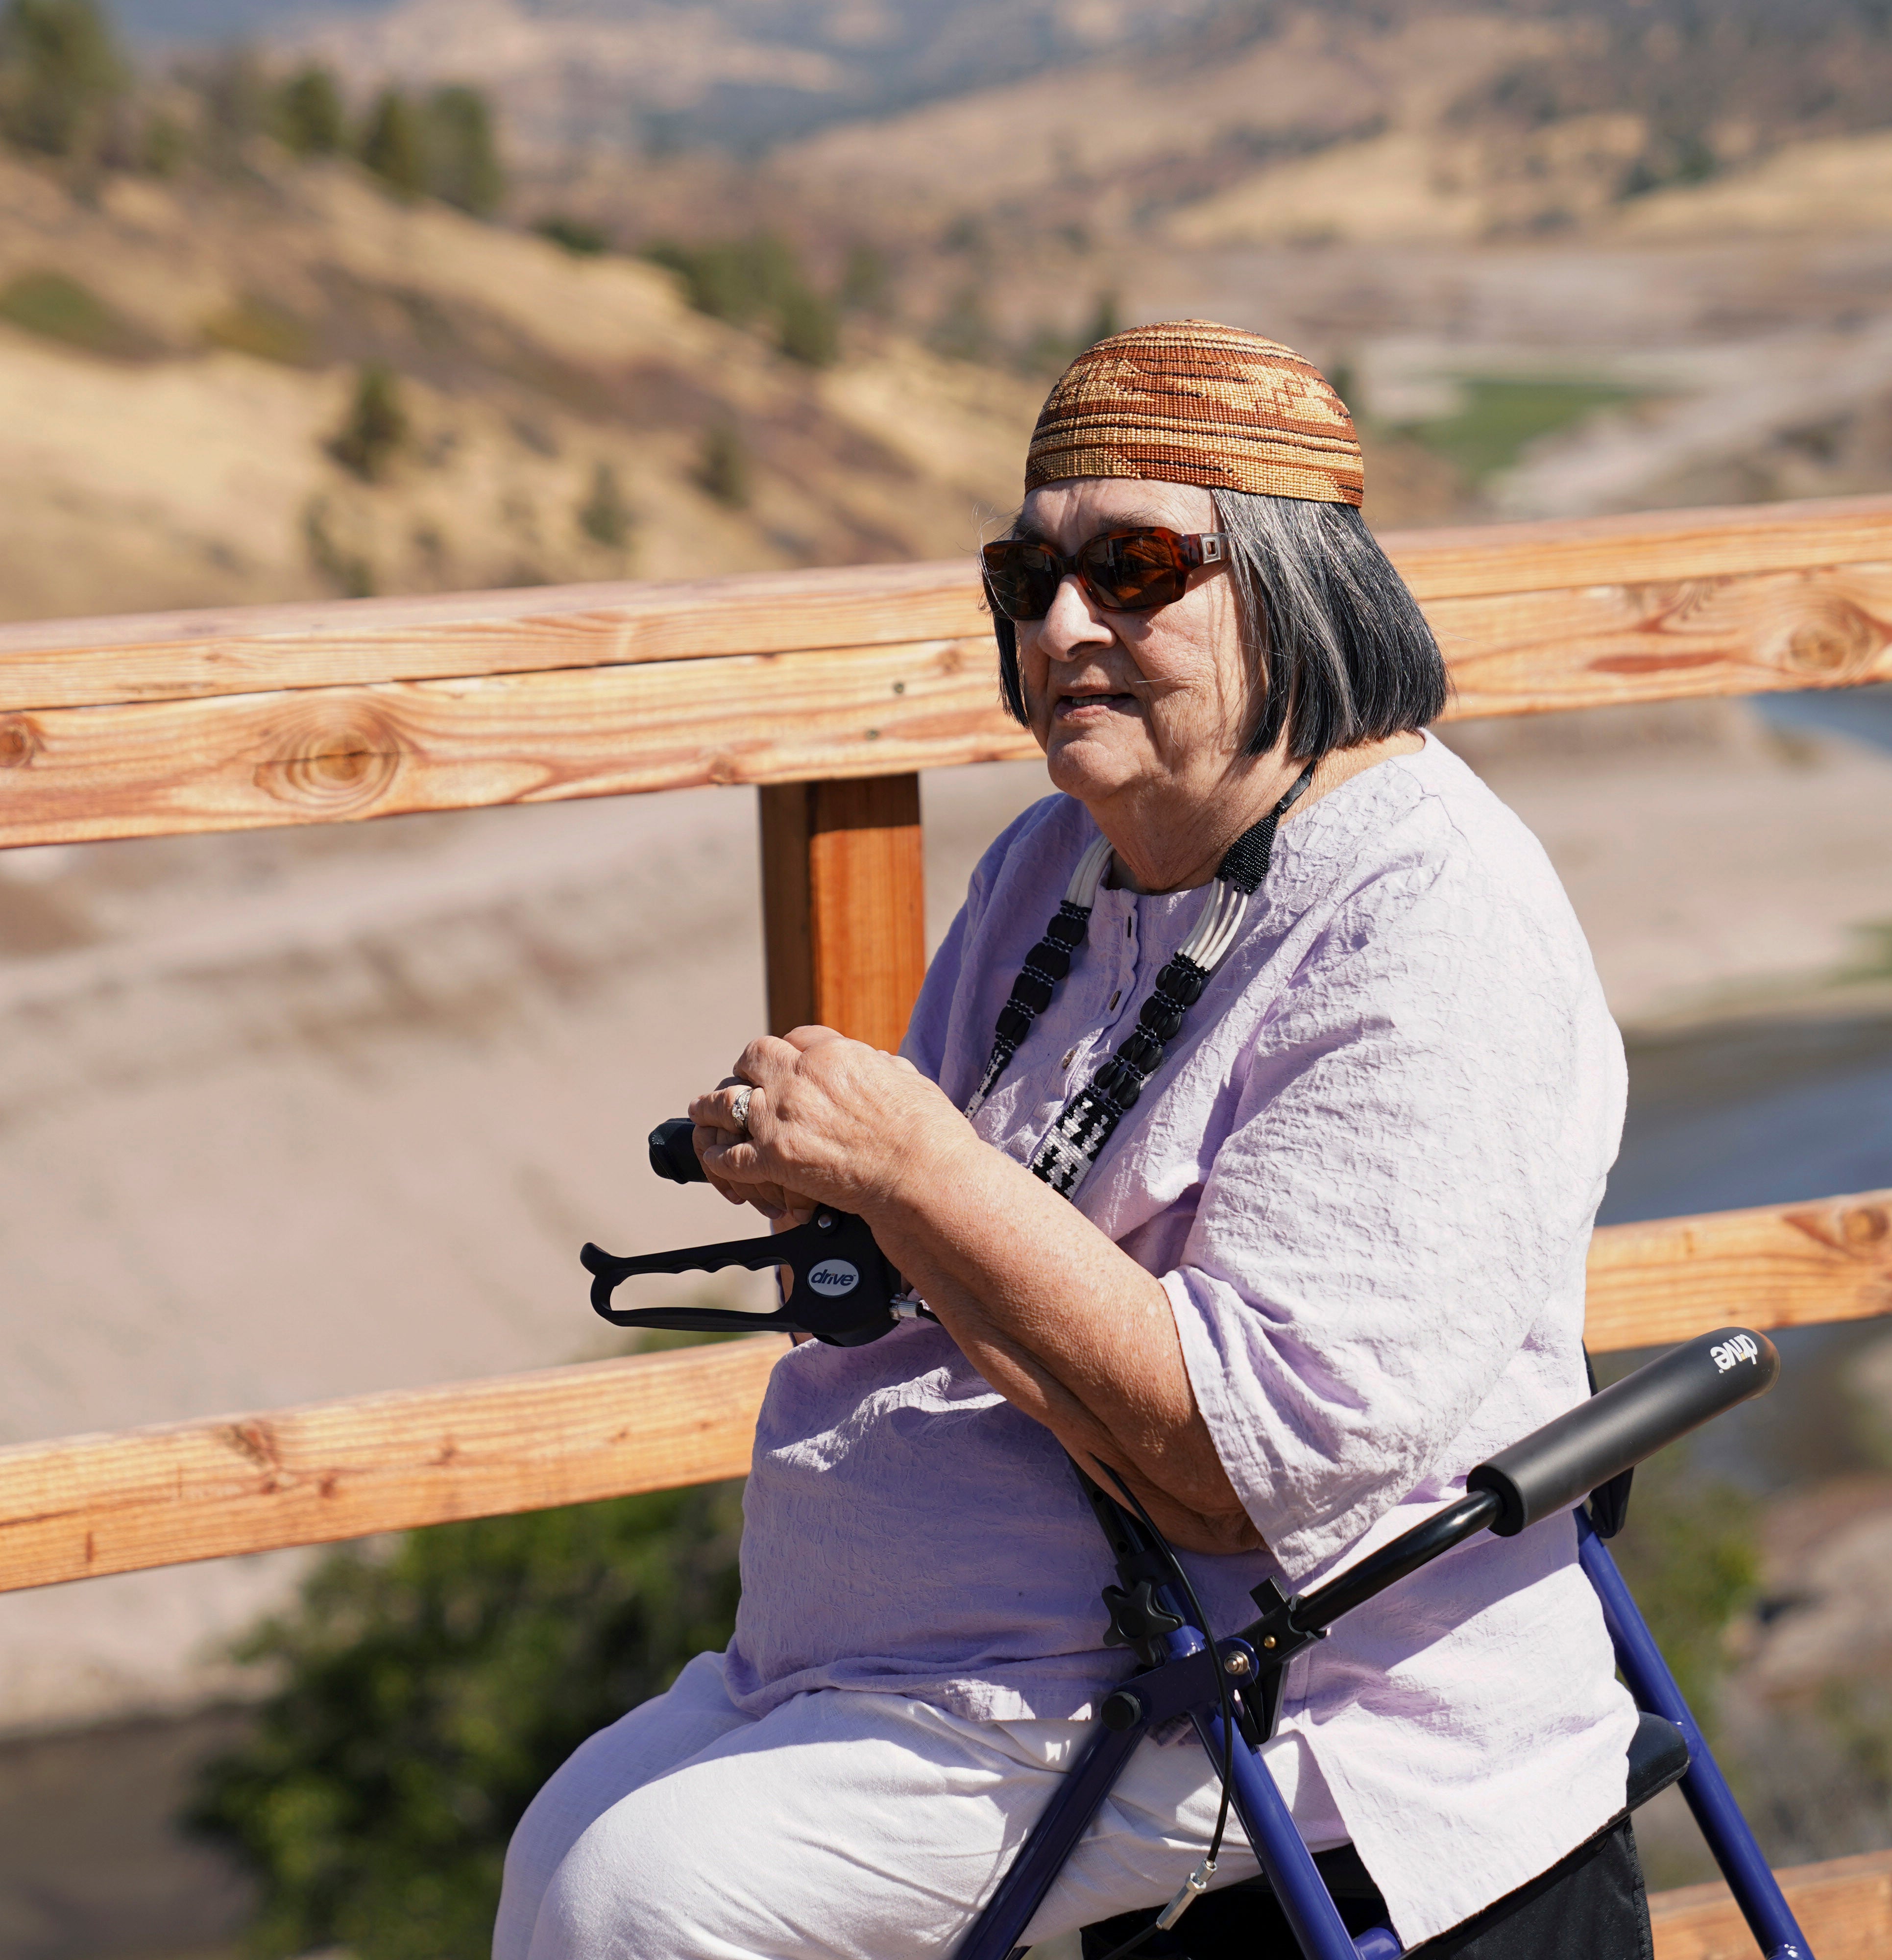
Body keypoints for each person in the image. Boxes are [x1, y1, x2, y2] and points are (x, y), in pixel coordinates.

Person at [493, 320, 1644, 1960]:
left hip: (1259, 1693)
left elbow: (1248, 1470)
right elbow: (970, 1236)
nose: (1059, 624)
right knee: (566, 1847)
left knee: (641, 1898)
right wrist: (840, 1185)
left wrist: (914, 1166)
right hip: (961, 1657)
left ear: (1304, 588)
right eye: (1025, 577)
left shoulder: (1434, 921)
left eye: (1137, 568)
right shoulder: (1061, 860)